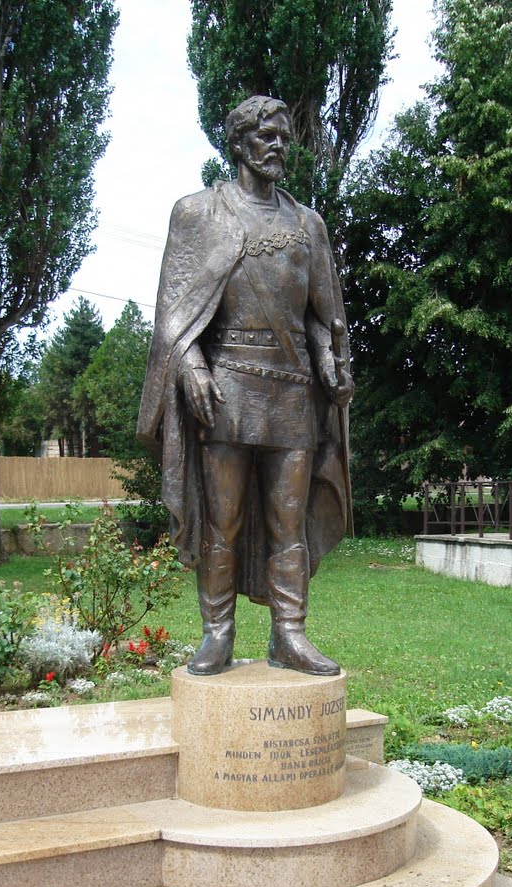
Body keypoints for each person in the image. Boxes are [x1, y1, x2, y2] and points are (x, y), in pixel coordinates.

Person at [137, 95, 353, 676]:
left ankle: (290, 634)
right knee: (222, 519)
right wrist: (192, 368)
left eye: (284, 134)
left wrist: (332, 360)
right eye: (265, 134)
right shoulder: (197, 214)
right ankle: (217, 634)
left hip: (292, 392)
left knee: (289, 520)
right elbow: (173, 317)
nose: (278, 143)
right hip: (226, 388)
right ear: (237, 143)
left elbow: (322, 316)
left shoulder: (308, 225)